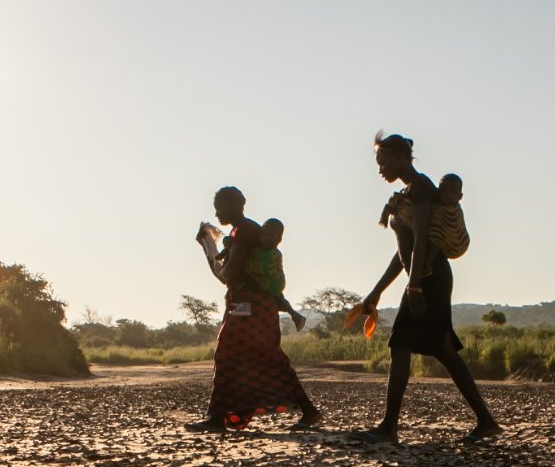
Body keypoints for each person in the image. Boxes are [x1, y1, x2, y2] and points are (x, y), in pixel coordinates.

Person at [350, 133, 501, 443]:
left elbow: (422, 239)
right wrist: (377, 290)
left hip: (428, 279)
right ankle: (485, 420)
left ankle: (389, 428)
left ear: (402, 159)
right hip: (422, 278)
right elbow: (402, 250)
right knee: (442, 349)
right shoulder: (408, 191)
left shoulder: (420, 189)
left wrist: (415, 286)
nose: (380, 169)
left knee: (401, 346)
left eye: (384, 161)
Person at [189, 187, 321, 431]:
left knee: (233, 356)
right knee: (260, 358)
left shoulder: (245, 232)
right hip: (252, 306)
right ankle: (307, 410)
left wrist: (209, 253)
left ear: (238, 205)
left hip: (251, 308)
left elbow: (229, 274)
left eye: (221, 206)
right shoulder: (242, 231)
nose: (217, 212)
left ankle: (218, 418)